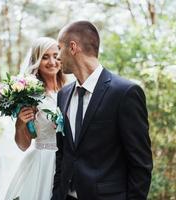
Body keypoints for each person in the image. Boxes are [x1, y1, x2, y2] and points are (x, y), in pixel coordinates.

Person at [52, 21, 153, 200]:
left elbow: (140, 164)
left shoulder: (125, 93)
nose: (57, 57)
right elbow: (63, 153)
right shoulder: (63, 95)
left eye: (59, 49)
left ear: (73, 47)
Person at [0, 37, 66, 200]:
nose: (52, 61)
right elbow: (24, 145)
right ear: (37, 61)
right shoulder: (31, 97)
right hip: (43, 163)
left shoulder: (70, 89)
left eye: (55, 55)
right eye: (45, 57)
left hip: (69, 162)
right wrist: (20, 125)